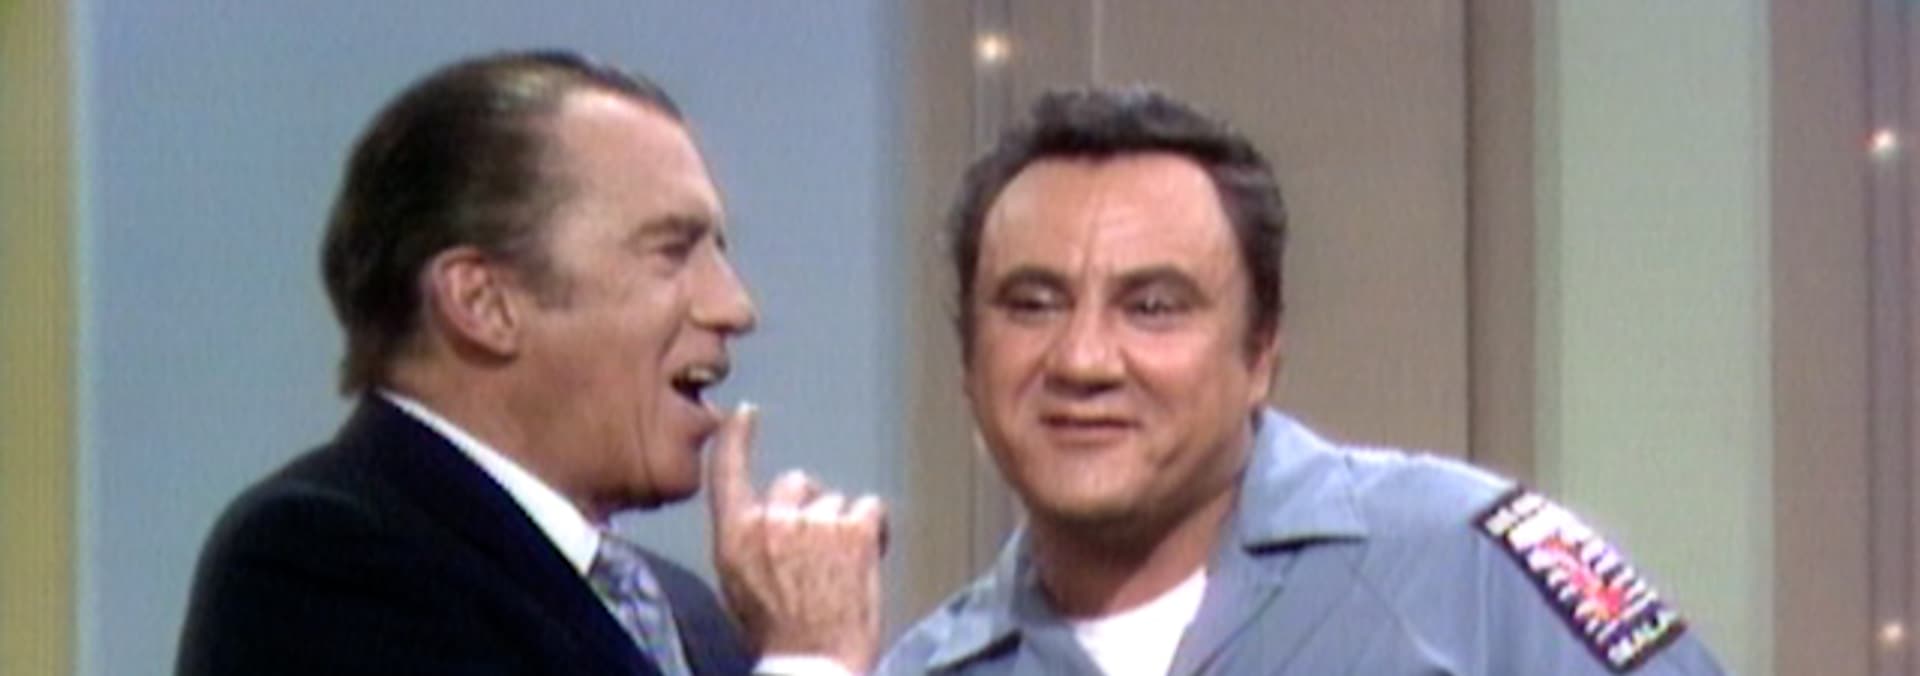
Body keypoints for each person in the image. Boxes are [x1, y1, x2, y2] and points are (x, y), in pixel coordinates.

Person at [878, 87, 1725, 675]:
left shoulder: (1469, 568)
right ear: (968, 360)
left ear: (1261, 353)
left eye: (1154, 307)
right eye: (1031, 305)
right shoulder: (925, 668)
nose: (1084, 361)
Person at [177, 51, 884, 676]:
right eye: (672, 251)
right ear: (483, 302)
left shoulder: (688, 614)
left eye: (718, 252)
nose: (735, 307)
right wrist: (808, 661)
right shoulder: (320, 559)